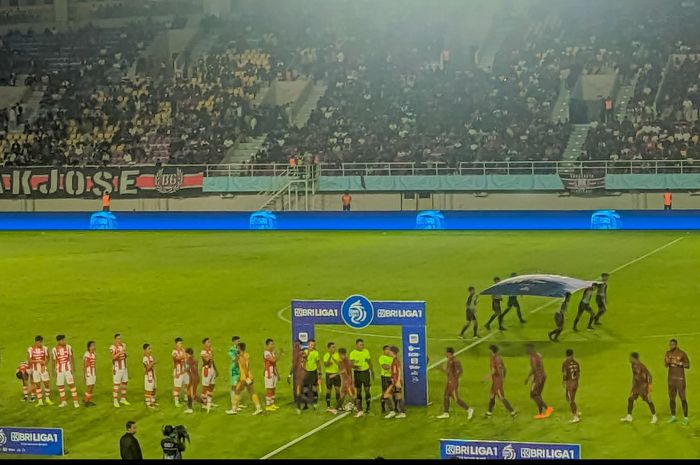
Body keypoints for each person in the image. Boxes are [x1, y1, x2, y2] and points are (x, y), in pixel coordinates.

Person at [437, 347, 474, 420]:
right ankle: (446, 413)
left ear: (449, 353)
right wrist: (441, 369)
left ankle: (469, 410)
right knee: (446, 396)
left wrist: (455, 378)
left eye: (446, 352)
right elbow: (448, 372)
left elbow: (460, 371)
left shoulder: (455, 361)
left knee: (456, 399)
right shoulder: (450, 360)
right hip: (450, 381)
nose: (445, 354)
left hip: (453, 383)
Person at [620, 352, 657, 424]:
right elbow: (635, 376)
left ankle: (654, 416)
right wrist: (632, 387)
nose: (629, 359)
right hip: (637, 387)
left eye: (630, 358)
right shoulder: (633, 365)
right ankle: (629, 416)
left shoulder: (641, 366)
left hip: (643, 387)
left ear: (634, 358)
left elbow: (650, 377)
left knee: (648, 401)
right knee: (630, 399)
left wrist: (649, 391)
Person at [228, 342, 263, 415]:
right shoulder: (246, 355)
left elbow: (243, 367)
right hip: (249, 376)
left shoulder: (240, 357)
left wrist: (245, 377)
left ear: (239, 348)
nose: (236, 348)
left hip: (244, 378)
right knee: (252, 392)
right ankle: (258, 408)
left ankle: (234, 409)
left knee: (237, 392)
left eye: (237, 347)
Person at [486, 345, 516, 417]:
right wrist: (503, 377)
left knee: (501, 397)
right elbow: (504, 369)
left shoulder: (493, 359)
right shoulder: (499, 358)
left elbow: (494, 370)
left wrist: (488, 376)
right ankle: (489, 412)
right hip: (497, 380)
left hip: (497, 381)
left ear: (491, 351)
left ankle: (512, 412)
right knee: (492, 395)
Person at [665, 339, 690, 425]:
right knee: (671, 397)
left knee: (682, 397)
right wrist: (667, 361)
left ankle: (686, 417)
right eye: (670, 345)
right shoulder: (667, 353)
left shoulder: (682, 353)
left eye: (672, 345)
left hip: (680, 379)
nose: (671, 346)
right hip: (671, 379)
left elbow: (688, 365)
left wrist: (680, 363)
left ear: (676, 345)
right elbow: (665, 365)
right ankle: (673, 416)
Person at [525, 344, 552, 419]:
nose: (526, 350)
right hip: (543, 376)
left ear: (531, 349)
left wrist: (528, 378)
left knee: (533, 394)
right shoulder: (538, 355)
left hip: (538, 377)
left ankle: (547, 409)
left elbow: (534, 369)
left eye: (528, 348)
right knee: (538, 395)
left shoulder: (532, 357)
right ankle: (540, 413)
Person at [53, 335, 80, 408]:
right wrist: (53, 370)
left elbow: (72, 357)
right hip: (59, 371)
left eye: (64, 340)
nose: (64, 341)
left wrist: (73, 367)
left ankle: (75, 402)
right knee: (60, 386)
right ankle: (63, 402)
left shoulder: (68, 347)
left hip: (68, 370)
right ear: (59, 341)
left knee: (71, 385)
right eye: (63, 340)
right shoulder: (54, 349)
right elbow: (54, 360)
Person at [350, 338, 374, 417]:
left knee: (367, 390)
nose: (362, 346)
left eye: (363, 345)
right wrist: (356, 367)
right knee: (359, 391)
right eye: (360, 345)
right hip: (358, 373)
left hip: (366, 373)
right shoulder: (353, 353)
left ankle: (368, 408)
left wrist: (372, 371)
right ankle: (360, 408)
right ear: (356, 345)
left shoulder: (366, 351)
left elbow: (369, 361)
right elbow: (351, 364)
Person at [28, 335, 52, 407]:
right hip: (35, 370)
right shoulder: (30, 349)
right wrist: (38, 361)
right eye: (38, 342)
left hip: (43, 369)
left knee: (46, 383)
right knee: (38, 385)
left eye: (41, 342)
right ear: (35, 342)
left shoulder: (45, 348)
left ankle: (47, 399)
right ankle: (40, 401)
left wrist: (44, 365)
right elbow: (29, 360)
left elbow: (48, 358)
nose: (40, 344)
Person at [382, 346, 405, 419]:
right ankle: (401, 412)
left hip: (395, 382)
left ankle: (394, 412)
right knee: (397, 396)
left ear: (393, 352)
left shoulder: (396, 360)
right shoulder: (394, 360)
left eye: (390, 351)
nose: (389, 352)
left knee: (386, 395)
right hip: (394, 381)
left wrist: (398, 381)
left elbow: (399, 370)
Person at [110, 333, 130, 408]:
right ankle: (115, 401)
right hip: (117, 368)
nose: (119, 340)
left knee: (124, 383)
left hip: (124, 368)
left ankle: (123, 399)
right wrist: (121, 352)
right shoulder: (113, 347)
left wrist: (125, 353)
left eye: (120, 338)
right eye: (118, 338)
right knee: (117, 385)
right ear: (115, 339)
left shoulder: (123, 345)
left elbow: (126, 355)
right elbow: (113, 358)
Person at [562, 349, 581, 423]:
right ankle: (577, 412)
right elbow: (578, 374)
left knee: (570, 400)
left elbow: (565, 374)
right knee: (571, 398)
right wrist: (576, 382)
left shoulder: (565, 363)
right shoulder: (576, 363)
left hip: (569, 383)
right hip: (576, 383)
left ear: (566, 355)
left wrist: (564, 382)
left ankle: (575, 417)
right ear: (572, 354)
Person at [227, 336, 245, 413]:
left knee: (239, 387)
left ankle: (237, 403)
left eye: (239, 341)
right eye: (238, 341)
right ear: (234, 342)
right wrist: (238, 354)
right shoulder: (232, 350)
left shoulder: (239, 349)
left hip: (240, 370)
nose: (239, 342)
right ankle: (233, 405)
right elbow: (234, 360)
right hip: (234, 370)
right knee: (234, 387)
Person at [302, 339, 322, 410]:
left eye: (313, 345)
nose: (312, 346)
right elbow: (303, 363)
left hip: (313, 372)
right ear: (308, 345)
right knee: (305, 389)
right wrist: (306, 356)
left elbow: (318, 363)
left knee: (314, 388)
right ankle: (305, 405)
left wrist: (320, 373)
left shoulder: (316, 353)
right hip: (306, 372)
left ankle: (315, 404)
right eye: (311, 345)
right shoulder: (304, 352)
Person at [323, 342, 341, 414]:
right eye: (333, 347)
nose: (334, 348)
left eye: (335, 347)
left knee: (337, 390)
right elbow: (326, 365)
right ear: (329, 348)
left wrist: (334, 359)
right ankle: (328, 406)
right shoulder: (326, 355)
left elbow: (340, 365)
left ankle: (338, 405)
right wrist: (330, 356)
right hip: (329, 375)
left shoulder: (337, 355)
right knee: (328, 390)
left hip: (336, 374)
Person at [263, 338, 281, 411]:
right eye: (271, 344)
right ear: (267, 345)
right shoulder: (266, 353)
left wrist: (278, 374)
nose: (272, 346)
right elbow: (273, 360)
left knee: (273, 388)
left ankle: (272, 403)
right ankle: (268, 405)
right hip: (268, 374)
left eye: (273, 344)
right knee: (269, 389)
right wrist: (279, 354)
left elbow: (275, 364)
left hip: (273, 373)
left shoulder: (272, 353)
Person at [200, 338, 217, 413]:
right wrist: (209, 357)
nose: (210, 343)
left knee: (212, 385)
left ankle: (209, 401)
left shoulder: (210, 351)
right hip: (206, 370)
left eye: (210, 342)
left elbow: (212, 361)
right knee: (205, 387)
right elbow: (206, 361)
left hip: (212, 369)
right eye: (208, 342)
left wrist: (216, 370)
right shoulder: (203, 352)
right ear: (204, 344)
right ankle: (203, 403)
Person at [378, 345, 395, 415]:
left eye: (389, 350)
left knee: (394, 392)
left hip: (392, 377)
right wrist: (392, 366)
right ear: (384, 350)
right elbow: (384, 367)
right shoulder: (382, 358)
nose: (388, 351)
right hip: (385, 377)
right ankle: (383, 408)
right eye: (387, 350)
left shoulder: (392, 358)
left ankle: (395, 408)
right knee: (385, 393)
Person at [172, 338, 186, 407]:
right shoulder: (174, 352)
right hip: (178, 372)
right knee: (177, 387)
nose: (181, 345)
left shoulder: (182, 351)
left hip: (183, 371)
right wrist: (184, 354)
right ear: (176, 344)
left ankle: (186, 399)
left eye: (181, 343)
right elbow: (177, 358)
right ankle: (176, 402)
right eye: (180, 343)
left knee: (186, 385)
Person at [184, 347, 198, 414]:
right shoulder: (195, 360)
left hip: (191, 379)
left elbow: (188, 371)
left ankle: (190, 408)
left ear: (187, 353)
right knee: (193, 394)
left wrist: (189, 382)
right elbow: (196, 370)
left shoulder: (187, 361)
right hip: (195, 378)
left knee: (190, 394)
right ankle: (205, 403)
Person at [143, 343, 157, 409]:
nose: (150, 350)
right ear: (145, 350)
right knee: (148, 390)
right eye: (149, 349)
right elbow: (147, 368)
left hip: (153, 375)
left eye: (150, 348)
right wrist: (153, 363)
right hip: (148, 376)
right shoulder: (145, 359)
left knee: (154, 388)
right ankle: (148, 403)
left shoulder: (150, 357)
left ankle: (153, 402)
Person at [83, 341, 97, 407]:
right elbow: (85, 365)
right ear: (89, 347)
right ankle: (87, 401)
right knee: (90, 387)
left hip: (93, 372)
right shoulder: (87, 355)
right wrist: (85, 375)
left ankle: (86, 399)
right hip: (89, 373)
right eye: (92, 346)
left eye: (94, 345)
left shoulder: (94, 354)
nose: (93, 347)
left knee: (92, 387)